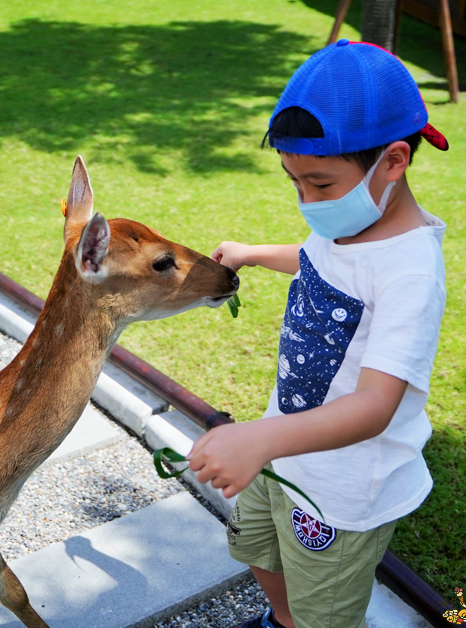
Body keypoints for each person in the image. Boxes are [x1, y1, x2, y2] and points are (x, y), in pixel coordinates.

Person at [188, 39, 450, 628]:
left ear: (394, 161)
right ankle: (282, 621)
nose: (307, 201)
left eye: (321, 184)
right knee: (256, 548)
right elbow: (317, 260)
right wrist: (253, 253)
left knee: (324, 607)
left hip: (344, 488)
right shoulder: (350, 225)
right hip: (284, 452)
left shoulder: (410, 272)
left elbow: (377, 406)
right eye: (294, 183)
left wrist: (259, 441)